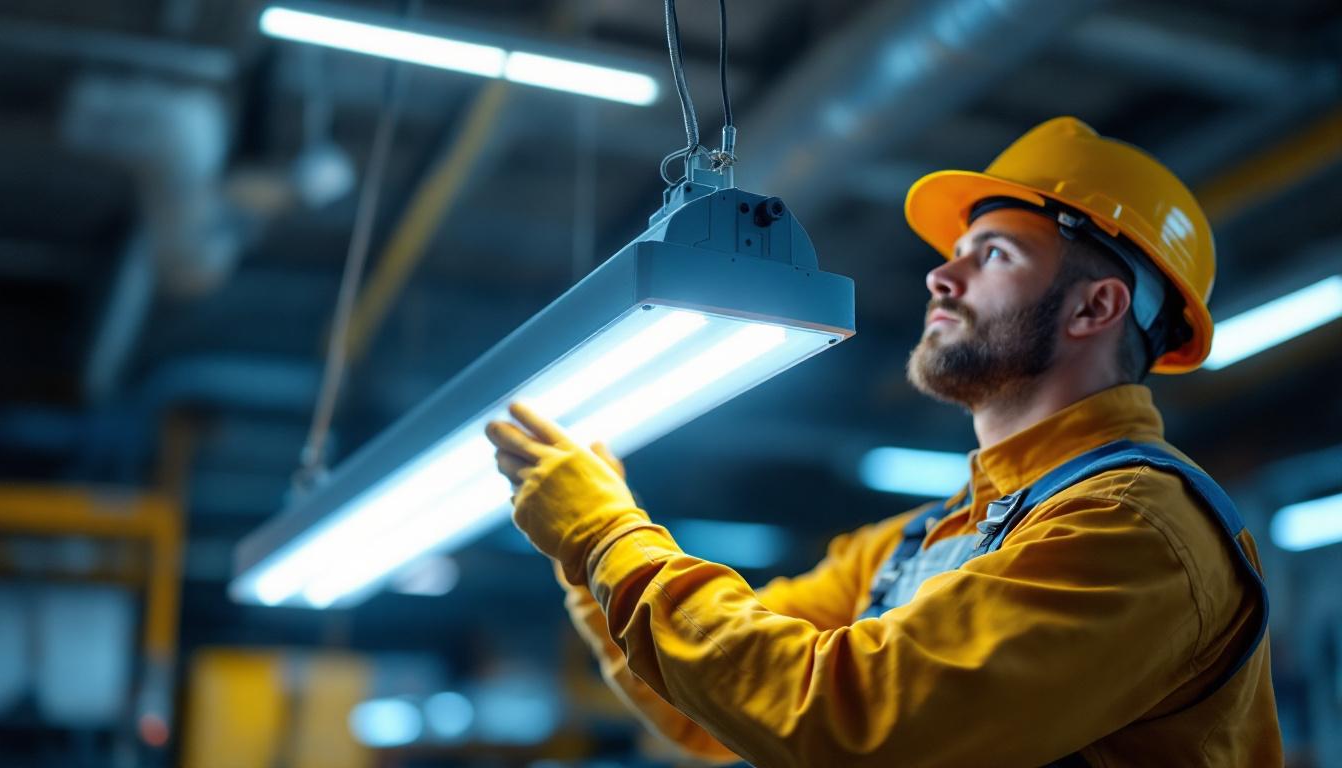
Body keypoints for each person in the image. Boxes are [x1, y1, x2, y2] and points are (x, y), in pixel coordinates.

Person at [485, 117, 1282, 767]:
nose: (941, 277)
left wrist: (605, 538)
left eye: (993, 254)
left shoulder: (1136, 531)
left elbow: (852, 721)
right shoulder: (913, 544)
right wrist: (584, 550)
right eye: (954, 254)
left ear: (1094, 308)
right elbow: (709, 709)